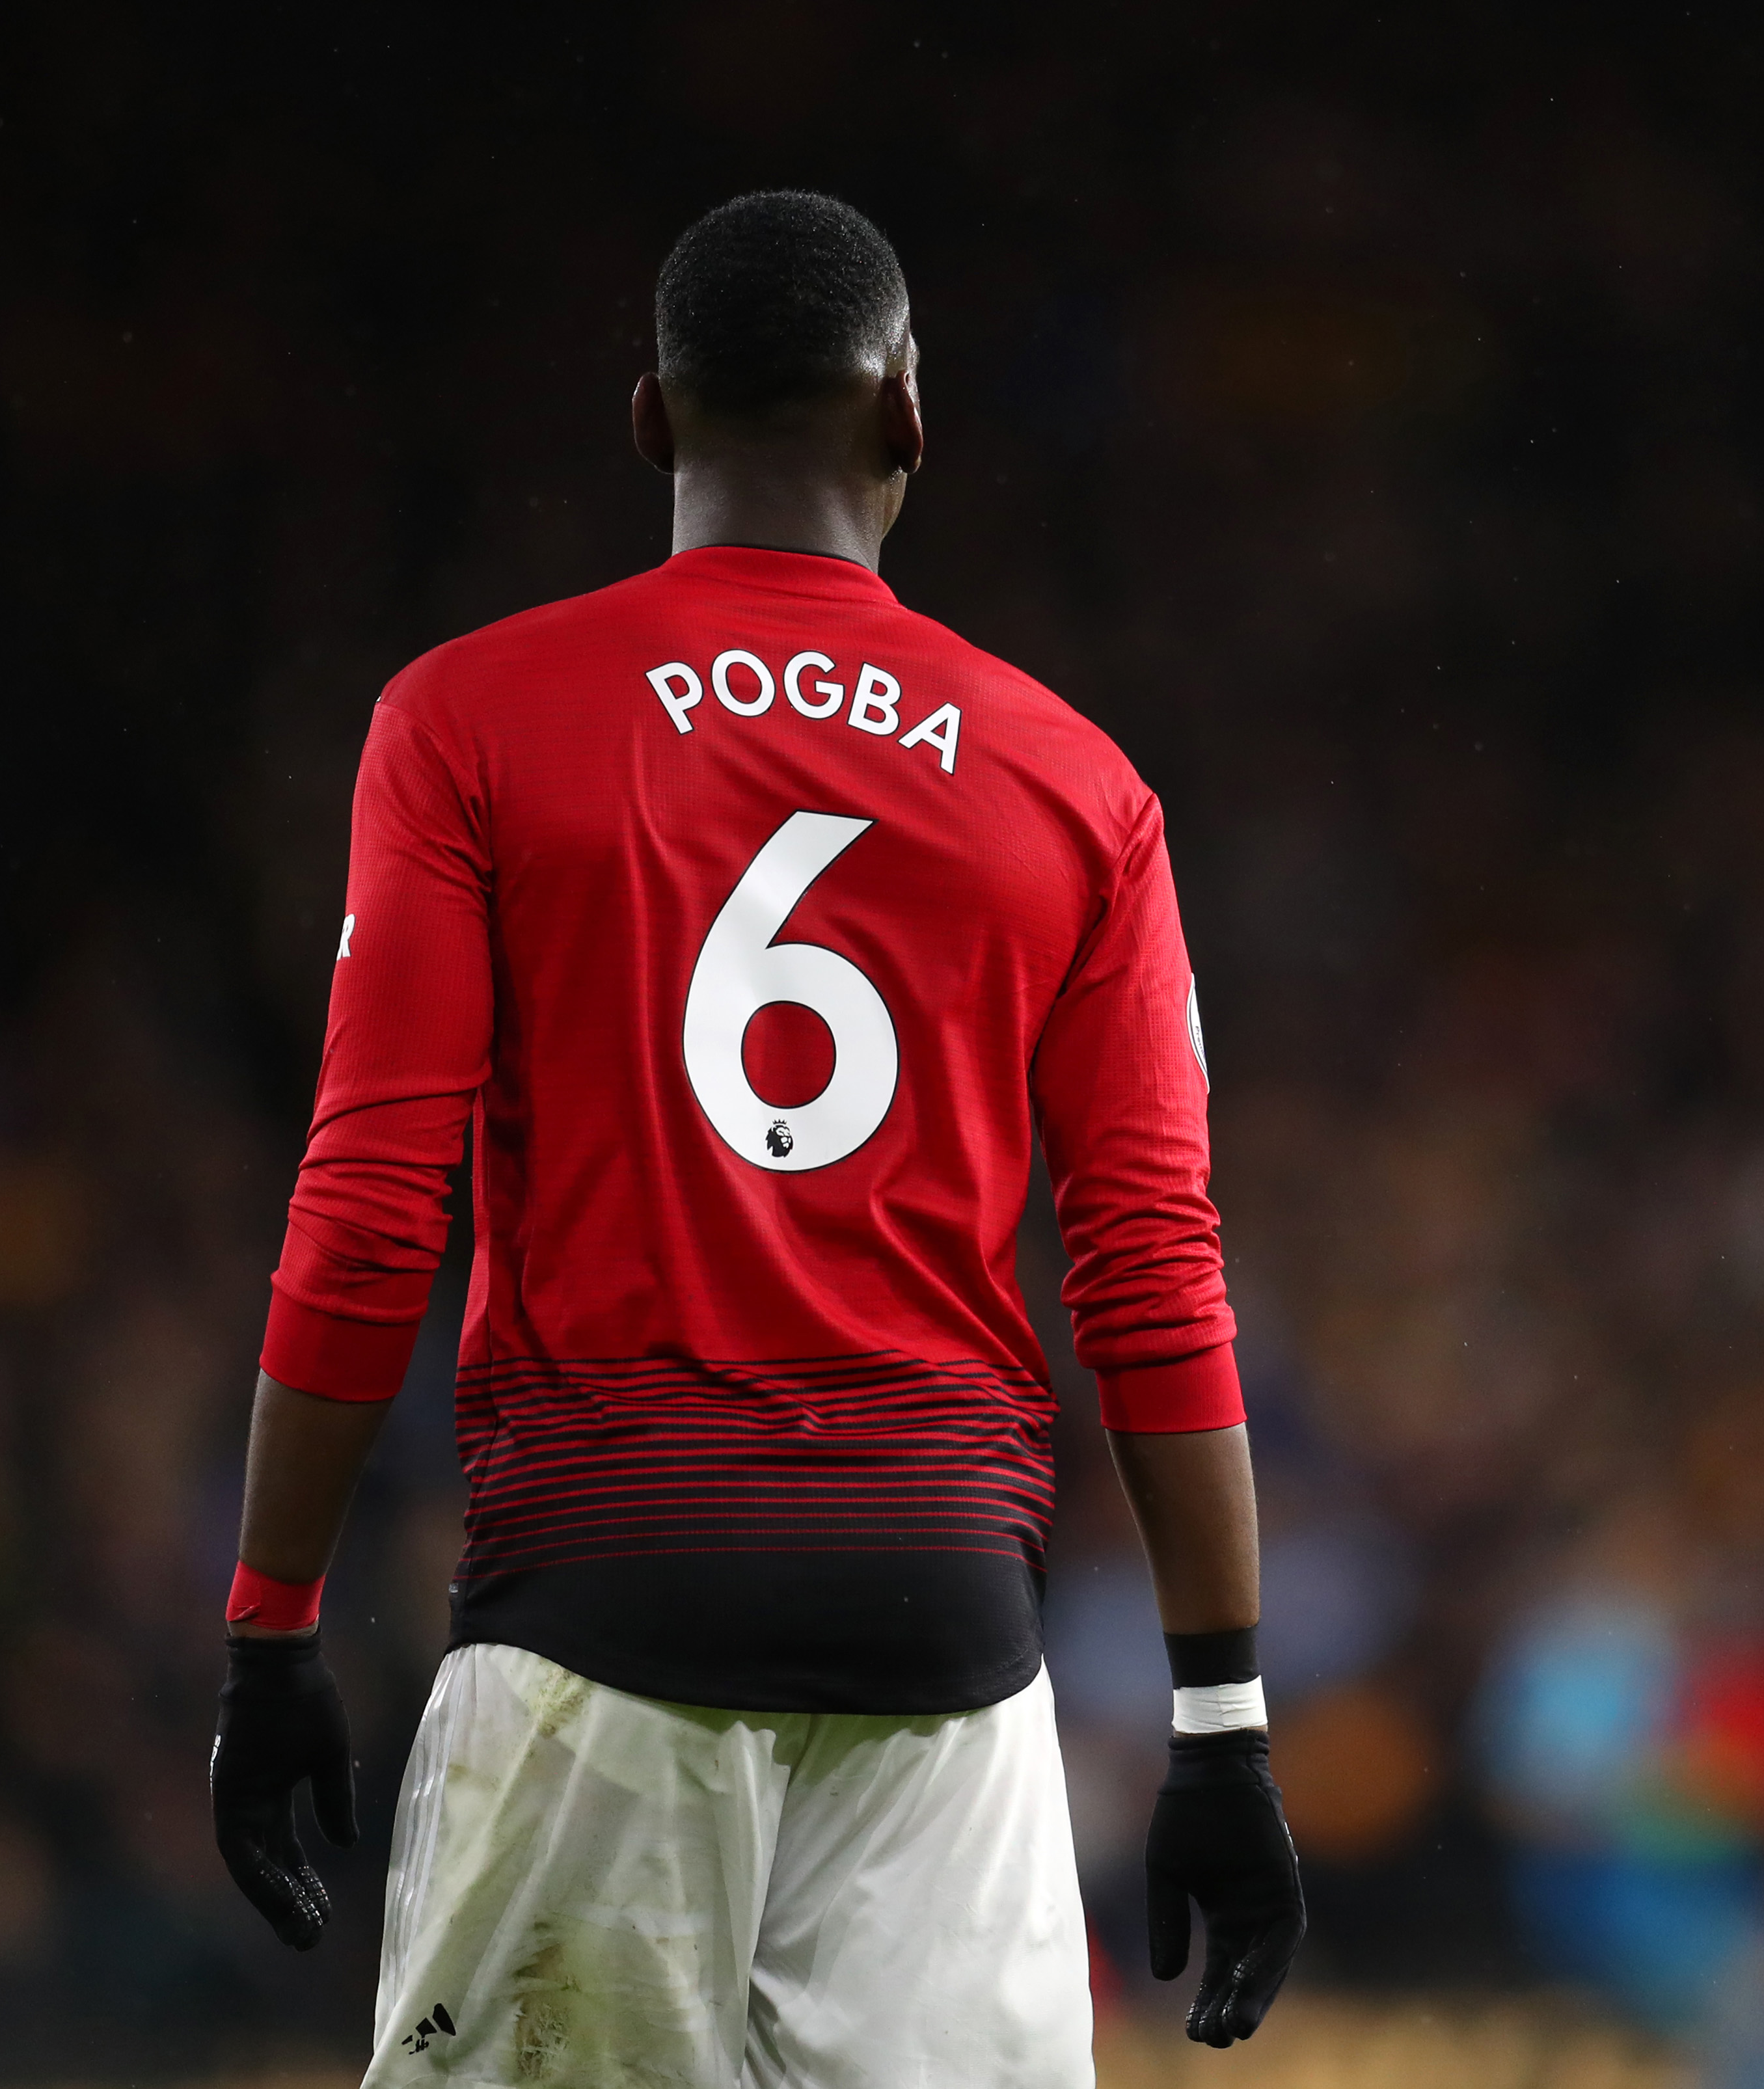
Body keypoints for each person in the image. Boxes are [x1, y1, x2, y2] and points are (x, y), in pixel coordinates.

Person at [204, 190, 1303, 2086]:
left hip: (596, 1610)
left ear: (650, 418)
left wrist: (270, 1629)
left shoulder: (467, 719)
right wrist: (1220, 1717)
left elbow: (376, 1203)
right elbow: (1145, 1258)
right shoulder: (1073, 778)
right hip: (944, 1642)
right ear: (909, 422)